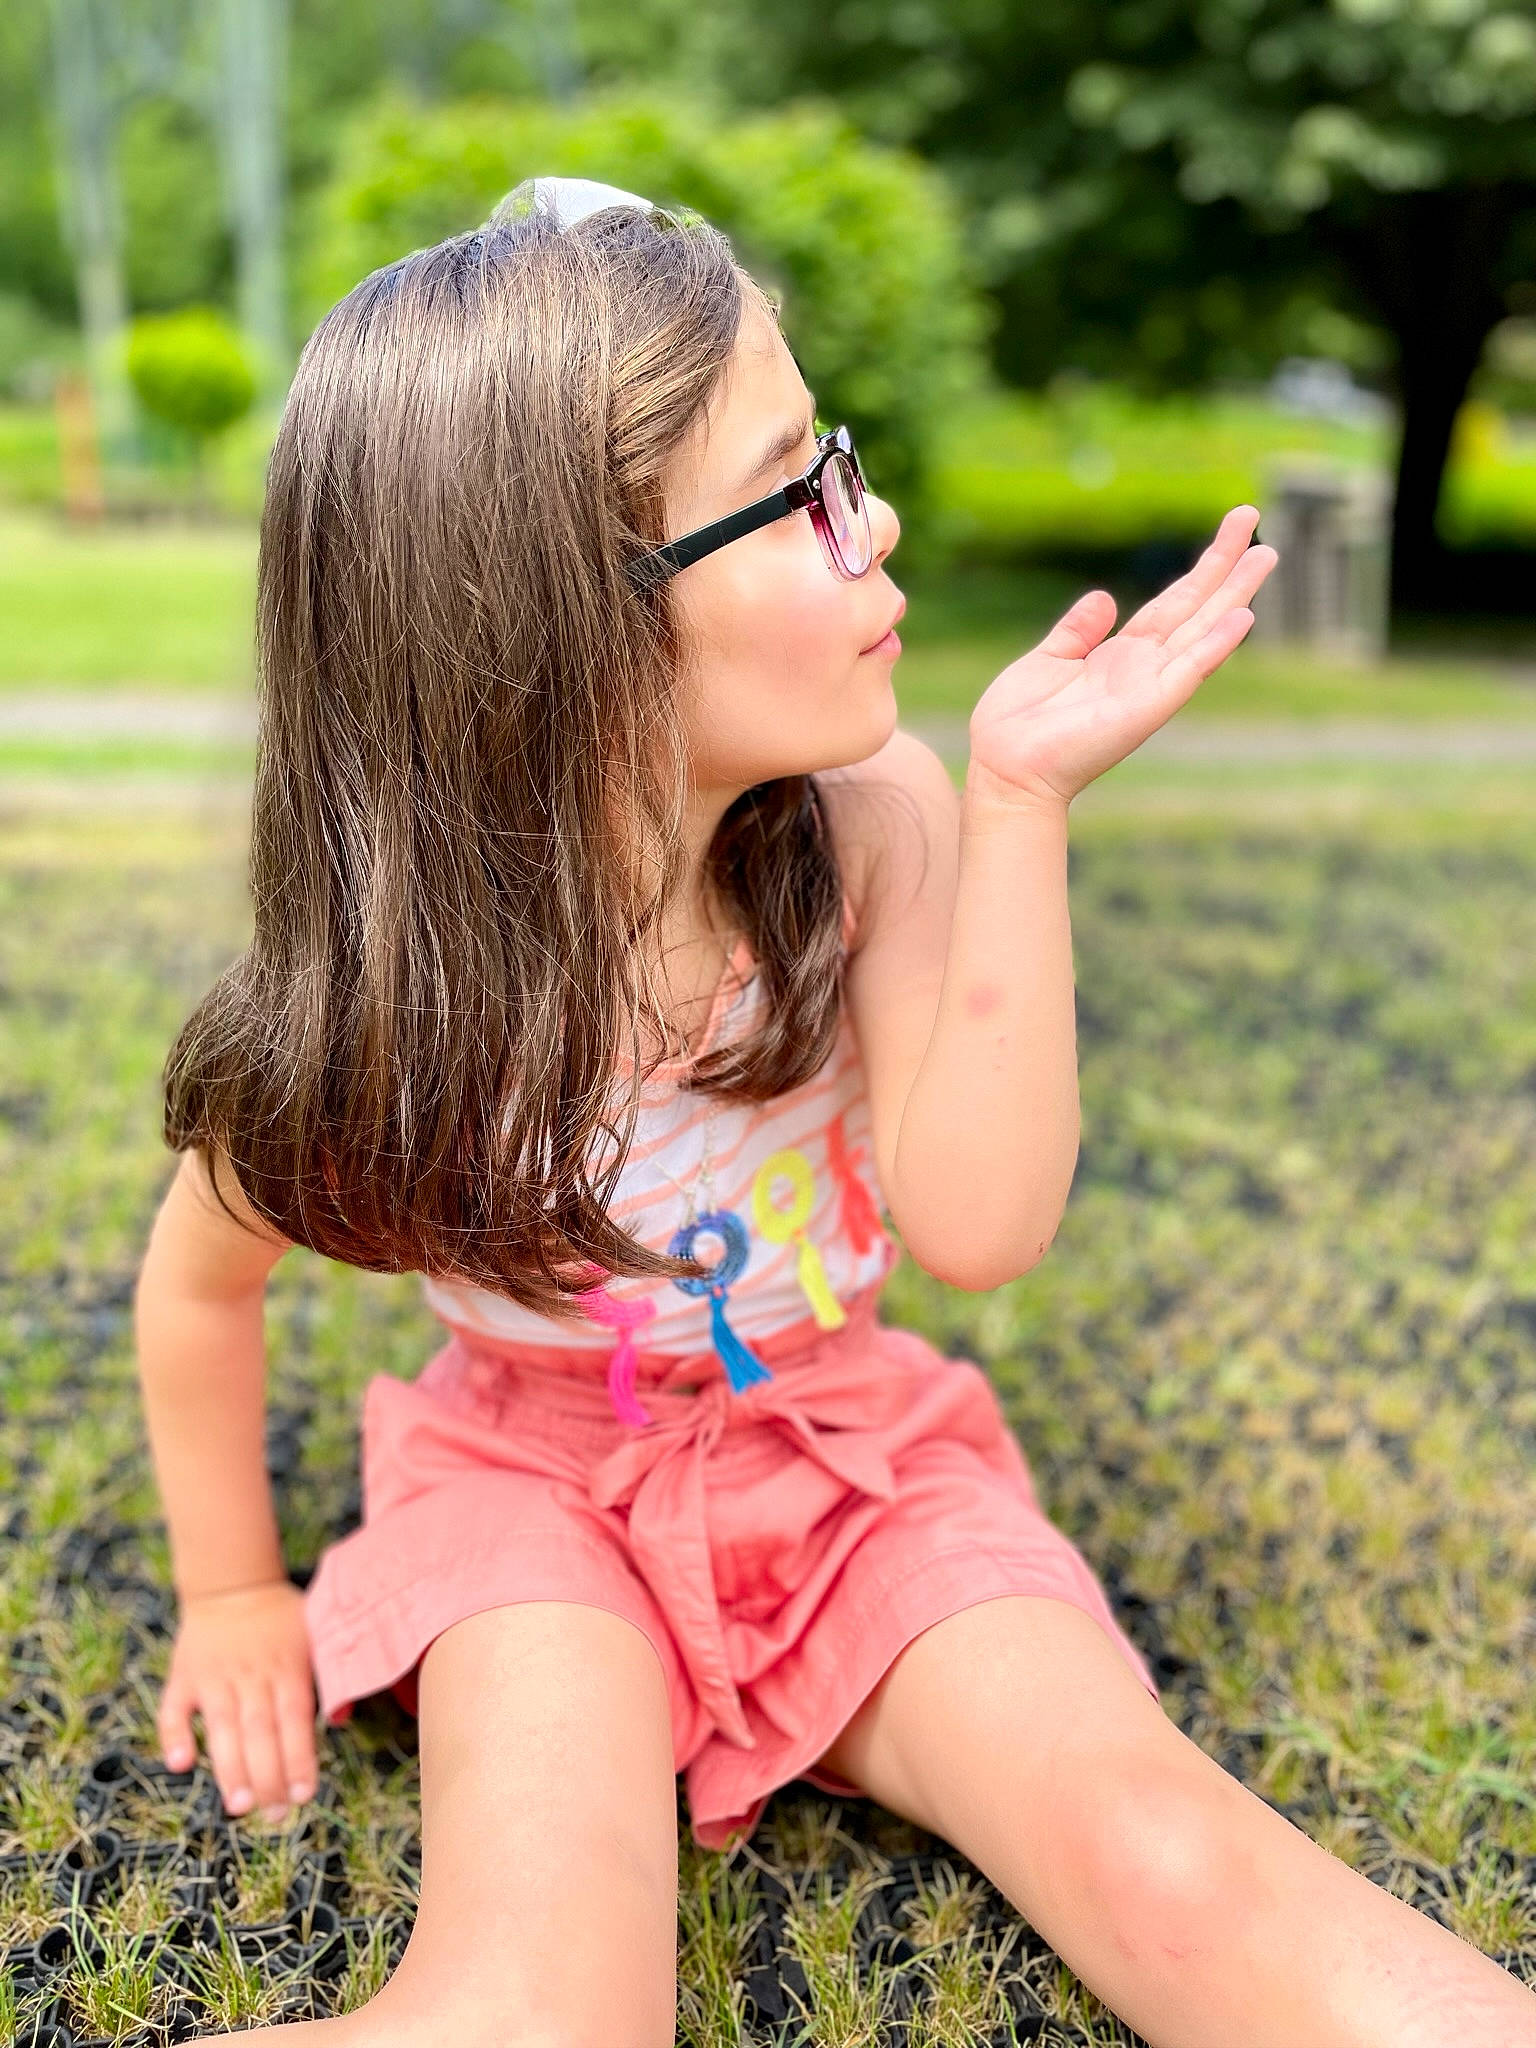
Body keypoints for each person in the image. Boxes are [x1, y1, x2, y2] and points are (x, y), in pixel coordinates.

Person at [131, 177, 1536, 2048]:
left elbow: (978, 1226)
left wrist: (1018, 806)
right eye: (799, 489)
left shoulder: (871, 834)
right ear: (572, 629)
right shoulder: (399, 1014)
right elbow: (198, 1289)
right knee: (547, 2007)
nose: (870, 522)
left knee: (1168, 1856)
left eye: (837, 456)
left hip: (854, 1461)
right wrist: (233, 1588)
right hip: (529, 1495)